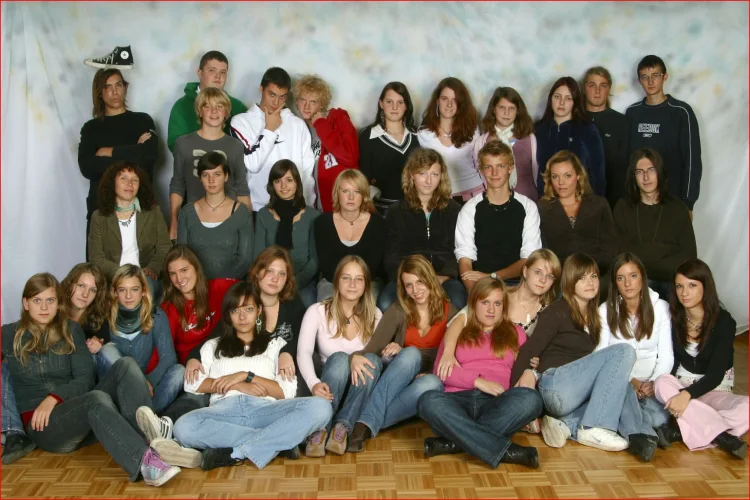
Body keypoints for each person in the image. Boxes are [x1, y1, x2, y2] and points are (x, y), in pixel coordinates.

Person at [1, 273, 180, 486]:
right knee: (95, 399)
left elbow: (85, 378)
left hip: (80, 414)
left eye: (50, 300)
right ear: (26, 303)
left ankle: (149, 441)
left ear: (58, 303)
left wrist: (54, 397)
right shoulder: (9, 334)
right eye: (37, 300)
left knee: (126, 365)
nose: (44, 307)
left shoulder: (70, 329)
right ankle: (146, 463)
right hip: (44, 426)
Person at [147, 281, 332, 471]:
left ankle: (236, 452)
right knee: (183, 426)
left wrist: (246, 376)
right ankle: (277, 442)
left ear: (259, 310)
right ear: (228, 315)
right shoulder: (213, 346)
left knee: (322, 407)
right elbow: (193, 384)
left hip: (265, 410)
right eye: (236, 311)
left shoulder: (275, 345)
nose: (242, 317)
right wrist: (237, 385)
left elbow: (286, 392)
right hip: (224, 411)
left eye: (249, 309)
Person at [510, 254, 659, 462]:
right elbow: (529, 350)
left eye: (594, 276)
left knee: (622, 386)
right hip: (555, 384)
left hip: (575, 393)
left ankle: (638, 437)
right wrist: (515, 397)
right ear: (570, 282)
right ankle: (593, 427)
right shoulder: (557, 312)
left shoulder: (597, 317)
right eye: (582, 278)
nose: (590, 283)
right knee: (624, 351)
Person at [417, 277, 543, 469]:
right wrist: (477, 382)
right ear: (474, 304)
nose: (491, 309)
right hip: (457, 401)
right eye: (485, 302)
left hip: (497, 402)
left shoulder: (516, 332)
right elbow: (441, 372)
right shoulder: (457, 331)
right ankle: (507, 451)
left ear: (503, 306)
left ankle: (454, 442)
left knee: (531, 399)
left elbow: (527, 368)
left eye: (497, 303)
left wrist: (532, 370)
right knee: (428, 401)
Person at [347, 255, 455, 452]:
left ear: (430, 279)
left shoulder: (452, 312)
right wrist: (355, 357)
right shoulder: (399, 309)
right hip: (397, 378)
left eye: (420, 282)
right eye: (409, 285)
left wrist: (431, 372)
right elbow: (373, 348)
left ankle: (361, 423)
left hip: (421, 384)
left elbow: (455, 357)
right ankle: (365, 424)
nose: (416, 290)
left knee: (432, 383)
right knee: (411, 354)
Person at [137, 245, 239, 432]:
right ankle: (153, 424)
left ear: (196, 268)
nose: (179, 279)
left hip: (221, 365)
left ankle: (162, 427)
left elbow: (251, 293)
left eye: (184, 270)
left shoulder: (218, 288)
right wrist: (149, 379)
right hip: (191, 373)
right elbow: (161, 350)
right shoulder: (169, 308)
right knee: (190, 389)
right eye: (173, 274)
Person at [654, 259, 748, 459]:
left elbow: (715, 375)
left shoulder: (724, 322)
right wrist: (681, 393)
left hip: (714, 390)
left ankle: (680, 430)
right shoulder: (673, 318)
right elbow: (671, 363)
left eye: (692, 285)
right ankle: (722, 437)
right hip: (679, 386)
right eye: (679, 286)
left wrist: (687, 396)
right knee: (661, 382)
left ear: (706, 287)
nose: (684, 293)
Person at [296, 256, 384, 456]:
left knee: (372, 360)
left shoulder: (376, 315)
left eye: (359, 279)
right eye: (346, 278)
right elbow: (304, 352)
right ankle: (320, 427)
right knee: (340, 359)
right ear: (336, 281)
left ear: (366, 284)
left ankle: (342, 427)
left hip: (359, 392)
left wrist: (391, 349)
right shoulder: (317, 311)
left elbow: (381, 362)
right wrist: (313, 383)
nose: (352, 284)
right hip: (328, 389)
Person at [78, 69, 158, 249]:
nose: (114, 92)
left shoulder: (143, 120)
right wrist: (135, 151)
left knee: (142, 265)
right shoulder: (91, 128)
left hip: (139, 208)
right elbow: (87, 167)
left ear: (125, 88)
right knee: (99, 266)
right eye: (107, 87)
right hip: (102, 209)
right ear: (100, 92)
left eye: (118, 85)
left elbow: (149, 157)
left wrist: (107, 151)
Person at [596, 253, 673, 438]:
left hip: (650, 386)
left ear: (642, 278)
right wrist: (630, 381)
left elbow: (666, 355)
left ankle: (629, 423)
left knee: (659, 419)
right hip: (619, 382)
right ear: (615, 283)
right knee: (635, 410)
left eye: (633, 276)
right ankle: (641, 430)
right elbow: (600, 355)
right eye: (620, 278)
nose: (627, 283)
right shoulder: (605, 310)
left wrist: (653, 382)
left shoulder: (661, 308)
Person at [378, 148, 464, 311]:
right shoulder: (396, 211)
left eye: (434, 174)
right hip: (408, 278)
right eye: (422, 173)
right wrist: (410, 280)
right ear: (412, 175)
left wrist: (444, 276)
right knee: (386, 302)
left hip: (443, 277)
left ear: (441, 176)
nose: (428, 181)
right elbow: (391, 255)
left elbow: (458, 250)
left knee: (457, 300)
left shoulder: (454, 210)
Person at [94, 265, 185, 413]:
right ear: (115, 293)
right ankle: (139, 414)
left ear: (143, 291)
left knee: (179, 371)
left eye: (134, 289)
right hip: (116, 390)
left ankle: (145, 415)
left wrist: (146, 382)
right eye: (122, 290)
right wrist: (93, 344)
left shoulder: (156, 315)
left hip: (147, 388)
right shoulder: (105, 316)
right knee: (107, 351)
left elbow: (168, 357)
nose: (128, 296)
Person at [455, 141, 541, 291]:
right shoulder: (469, 209)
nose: (494, 173)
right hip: (482, 286)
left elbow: (529, 260)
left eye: (500, 166)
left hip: (519, 285)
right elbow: (465, 261)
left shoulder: (528, 207)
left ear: (510, 167)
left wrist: (493, 276)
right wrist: (476, 295)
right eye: (489, 167)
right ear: (481, 170)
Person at [613, 148, 696, 299]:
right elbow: (620, 253)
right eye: (639, 172)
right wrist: (664, 251)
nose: (646, 177)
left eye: (651, 170)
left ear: (660, 173)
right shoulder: (623, 207)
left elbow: (689, 256)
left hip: (672, 281)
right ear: (633, 176)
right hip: (636, 282)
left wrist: (641, 254)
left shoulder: (678, 208)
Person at [169, 86, 251, 239]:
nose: (214, 111)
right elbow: (177, 185)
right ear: (199, 111)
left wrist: (247, 225)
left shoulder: (235, 146)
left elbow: (241, 187)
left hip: (229, 219)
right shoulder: (183, 144)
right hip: (194, 219)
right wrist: (174, 221)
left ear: (226, 112)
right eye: (207, 106)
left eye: (219, 106)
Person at [230, 67, 316, 212]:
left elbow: (307, 173)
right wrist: (269, 129)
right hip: (258, 209)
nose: (276, 102)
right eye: (271, 94)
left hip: (294, 209)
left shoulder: (297, 124)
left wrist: (307, 209)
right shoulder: (241, 122)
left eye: (282, 97)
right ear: (261, 89)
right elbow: (252, 165)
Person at [626, 55, 702, 215]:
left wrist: (688, 202)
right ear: (639, 81)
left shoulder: (681, 112)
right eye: (645, 77)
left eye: (655, 75)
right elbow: (628, 159)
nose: (650, 81)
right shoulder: (632, 113)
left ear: (665, 76)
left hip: (673, 199)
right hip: (640, 201)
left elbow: (692, 160)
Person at [537, 150, 616, 298]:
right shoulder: (542, 209)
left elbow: (609, 249)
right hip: (561, 279)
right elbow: (545, 252)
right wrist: (570, 273)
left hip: (597, 274)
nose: (561, 183)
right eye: (555, 176)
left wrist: (586, 272)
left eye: (567, 175)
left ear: (578, 175)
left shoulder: (599, 205)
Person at [87, 161, 171, 301]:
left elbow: (165, 247)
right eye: (123, 178)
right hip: (113, 279)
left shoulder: (153, 212)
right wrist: (123, 274)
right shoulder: (99, 217)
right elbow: (96, 258)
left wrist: (152, 268)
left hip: (146, 278)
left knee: (144, 290)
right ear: (113, 183)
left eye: (135, 180)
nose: (129, 184)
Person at [176, 152, 254, 280]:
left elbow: (245, 260)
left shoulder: (241, 212)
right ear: (200, 178)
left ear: (226, 176)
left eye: (217, 174)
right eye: (205, 175)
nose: (211, 180)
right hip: (196, 284)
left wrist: (221, 284)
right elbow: (182, 255)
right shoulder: (187, 212)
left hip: (231, 286)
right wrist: (198, 283)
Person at [254, 160, 320, 306]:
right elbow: (258, 257)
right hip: (269, 280)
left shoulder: (313, 216)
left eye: (289, 180)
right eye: (278, 181)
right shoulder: (263, 215)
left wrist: (292, 284)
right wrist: (273, 281)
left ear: (297, 182)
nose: (283, 186)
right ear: (272, 185)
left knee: (306, 303)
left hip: (301, 281)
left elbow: (314, 262)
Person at [314, 169, 386, 301]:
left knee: (366, 305)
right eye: (346, 191)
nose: (351, 197)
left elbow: (373, 267)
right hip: (332, 282)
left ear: (363, 195)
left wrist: (354, 286)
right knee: (328, 304)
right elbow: (327, 266)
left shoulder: (377, 224)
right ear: (337, 193)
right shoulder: (322, 223)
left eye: (356, 192)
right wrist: (346, 288)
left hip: (368, 282)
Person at [293, 75, 359, 213]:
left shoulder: (337, 118)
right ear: (297, 101)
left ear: (322, 104)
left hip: (342, 205)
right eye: (303, 100)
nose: (306, 106)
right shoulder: (298, 129)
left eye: (313, 101)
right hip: (314, 208)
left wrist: (321, 124)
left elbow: (350, 157)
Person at [248, 246, 308, 395]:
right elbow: (220, 334)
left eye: (282, 274)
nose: (275, 279)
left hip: (287, 371)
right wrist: (194, 358)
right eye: (270, 271)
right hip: (255, 372)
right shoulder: (243, 301)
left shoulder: (293, 302)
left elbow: (304, 336)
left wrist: (286, 352)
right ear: (257, 272)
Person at [535, 76, 605, 197]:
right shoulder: (538, 130)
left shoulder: (587, 130)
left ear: (575, 102)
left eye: (568, 98)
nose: (562, 103)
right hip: (545, 200)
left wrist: (596, 203)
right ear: (550, 99)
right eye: (557, 97)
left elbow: (598, 174)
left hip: (579, 200)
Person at [359, 82, 421, 216]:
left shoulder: (418, 135)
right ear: (381, 104)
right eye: (389, 102)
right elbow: (363, 180)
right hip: (381, 211)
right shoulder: (368, 135)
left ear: (406, 106)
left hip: (415, 210)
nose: (394, 107)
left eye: (400, 102)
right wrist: (373, 212)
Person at [417, 77, 484, 203]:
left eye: (455, 100)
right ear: (437, 101)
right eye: (444, 99)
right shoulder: (423, 134)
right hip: (440, 199)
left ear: (461, 103)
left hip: (474, 195)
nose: (449, 105)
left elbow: (481, 162)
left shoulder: (472, 130)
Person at [167, 50, 248, 152]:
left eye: (223, 72)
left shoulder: (238, 107)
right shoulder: (182, 106)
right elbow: (176, 145)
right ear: (200, 73)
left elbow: (247, 145)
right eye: (212, 70)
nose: (218, 76)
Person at [474, 86, 539, 201]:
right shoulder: (482, 142)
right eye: (502, 107)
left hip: (528, 200)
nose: (506, 113)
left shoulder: (530, 139)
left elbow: (536, 173)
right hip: (495, 202)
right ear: (494, 109)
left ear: (518, 111)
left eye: (511, 108)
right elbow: (480, 174)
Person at [583, 67, 629, 208]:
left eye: (602, 86)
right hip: (579, 200)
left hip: (614, 202)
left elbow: (627, 166)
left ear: (609, 89)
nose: (597, 91)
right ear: (584, 88)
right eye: (592, 85)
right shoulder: (574, 120)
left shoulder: (622, 122)